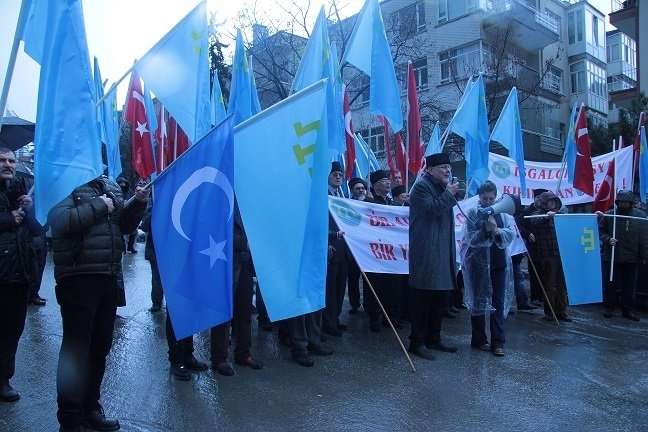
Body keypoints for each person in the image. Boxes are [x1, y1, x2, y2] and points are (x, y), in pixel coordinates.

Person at [48, 175, 150, 431]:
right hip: (78, 277)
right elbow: (59, 221)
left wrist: (137, 203)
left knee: (99, 348)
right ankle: (70, 418)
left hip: (109, 275)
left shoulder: (110, 185)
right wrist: (100, 205)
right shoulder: (64, 180)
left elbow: (123, 226)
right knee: (76, 349)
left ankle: (91, 408)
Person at [0, 147, 43, 402]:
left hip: (18, 275)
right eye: (2, 160)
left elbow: (39, 230)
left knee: (11, 331)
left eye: (11, 160)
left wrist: (29, 209)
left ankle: (3, 379)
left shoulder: (20, 191)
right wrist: (7, 219)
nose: (8, 164)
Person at [407, 153, 460, 360]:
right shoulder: (421, 187)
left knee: (439, 299)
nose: (447, 170)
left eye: (448, 167)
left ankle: (434, 338)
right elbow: (430, 211)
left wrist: (450, 193)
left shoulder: (440, 187)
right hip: (427, 252)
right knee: (423, 299)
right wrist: (448, 194)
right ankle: (417, 341)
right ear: (429, 169)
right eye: (442, 167)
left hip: (442, 251)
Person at [460, 181, 515, 357]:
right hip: (478, 264)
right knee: (478, 301)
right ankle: (478, 339)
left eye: (491, 198)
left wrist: (498, 232)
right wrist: (485, 229)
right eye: (485, 198)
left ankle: (498, 342)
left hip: (498, 264)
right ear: (479, 197)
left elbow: (510, 234)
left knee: (497, 303)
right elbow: (471, 240)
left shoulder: (504, 214)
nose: (488, 202)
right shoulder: (472, 214)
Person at [211, 201, 264, 375]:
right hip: (225, 263)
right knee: (224, 313)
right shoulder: (221, 193)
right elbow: (217, 230)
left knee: (244, 311)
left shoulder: (250, 195)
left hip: (245, 263)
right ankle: (219, 358)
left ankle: (243, 353)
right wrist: (245, 243)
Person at [596, 190, 648, 321]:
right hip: (613, 256)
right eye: (621, 202)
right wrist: (608, 239)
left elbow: (644, 238)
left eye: (626, 202)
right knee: (610, 284)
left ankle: (628, 310)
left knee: (629, 286)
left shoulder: (640, 216)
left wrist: (644, 255)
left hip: (631, 257)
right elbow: (600, 231)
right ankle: (609, 308)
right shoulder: (609, 215)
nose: (623, 204)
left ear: (631, 202)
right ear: (617, 202)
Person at [530, 191, 571, 322]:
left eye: (554, 201)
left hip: (562, 254)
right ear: (543, 203)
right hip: (547, 254)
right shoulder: (537, 214)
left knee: (561, 285)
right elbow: (535, 222)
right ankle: (549, 312)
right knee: (548, 284)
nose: (552, 203)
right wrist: (547, 217)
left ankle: (561, 311)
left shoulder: (561, 215)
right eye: (549, 201)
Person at [322, 162, 348, 337]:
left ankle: (336, 319)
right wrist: (326, 242)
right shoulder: (322, 196)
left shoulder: (342, 195)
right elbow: (319, 223)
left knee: (340, 287)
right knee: (329, 289)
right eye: (334, 174)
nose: (338, 177)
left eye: (340, 174)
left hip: (344, 249)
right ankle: (328, 323)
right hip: (331, 247)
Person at [346, 177, 369, 314]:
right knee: (353, 278)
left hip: (367, 248)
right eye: (357, 188)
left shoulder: (370, 203)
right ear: (352, 191)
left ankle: (368, 304)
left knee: (368, 279)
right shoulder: (347, 204)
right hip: (353, 247)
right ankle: (354, 304)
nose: (360, 190)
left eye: (362, 188)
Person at [116, 176, 138, 254]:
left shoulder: (129, 192)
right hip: (119, 214)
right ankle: (122, 247)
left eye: (123, 183)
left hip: (128, 213)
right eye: (120, 183)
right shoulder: (116, 191)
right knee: (120, 232)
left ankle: (130, 246)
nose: (122, 184)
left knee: (133, 231)